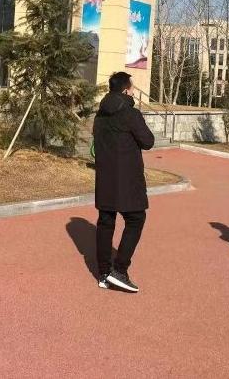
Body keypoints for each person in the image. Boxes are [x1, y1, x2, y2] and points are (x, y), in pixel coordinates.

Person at [93, 72, 155, 293]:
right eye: (132, 88)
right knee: (136, 219)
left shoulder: (99, 115)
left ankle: (103, 273)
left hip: (105, 178)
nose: (134, 92)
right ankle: (119, 270)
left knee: (105, 222)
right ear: (126, 90)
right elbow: (148, 141)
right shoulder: (131, 114)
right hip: (128, 179)